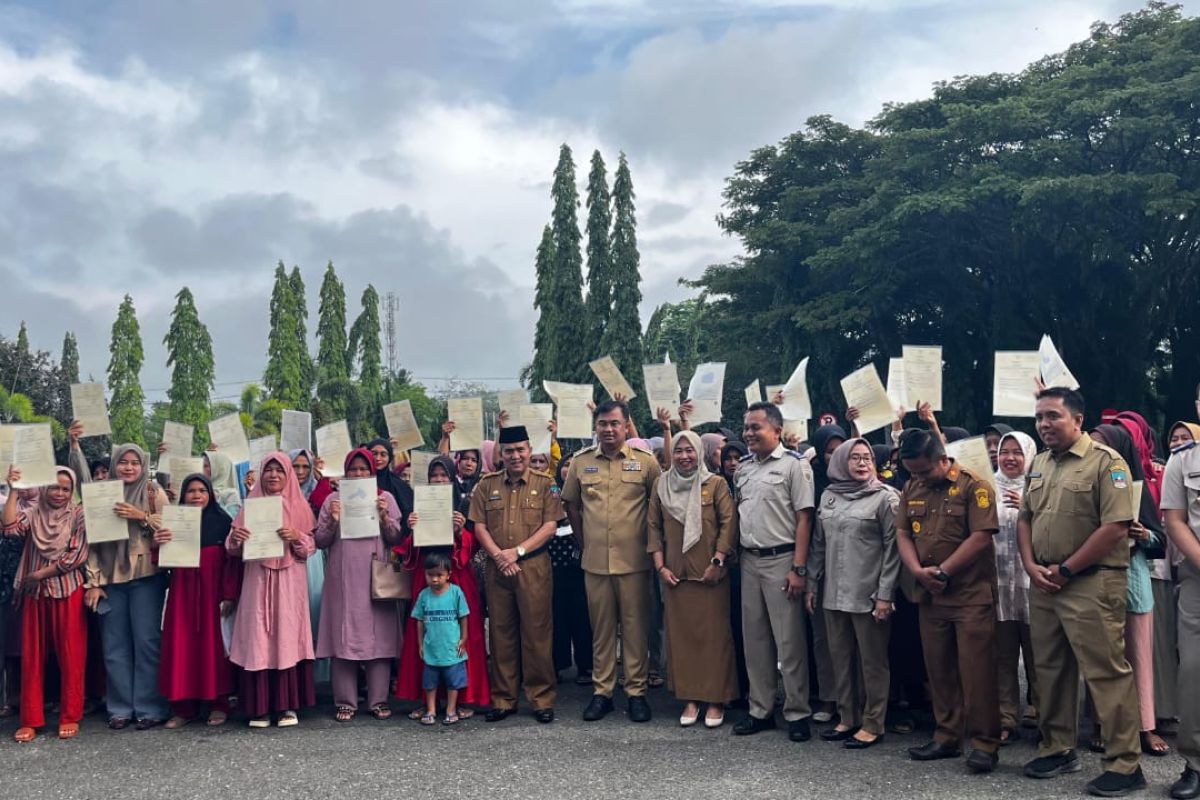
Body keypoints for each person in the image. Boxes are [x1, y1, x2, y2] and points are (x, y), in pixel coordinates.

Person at [1017, 387, 1145, 796]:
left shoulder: (1107, 463)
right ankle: (1058, 747)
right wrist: (1029, 565)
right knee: (1049, 669)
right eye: (1039, 417)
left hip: (1091, 581)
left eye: (1052, 416)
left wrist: (1069, 568)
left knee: (1105, 672)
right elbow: (1024, 518)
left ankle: (1125, 764)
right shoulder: (1038, 463)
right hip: (1044, 583)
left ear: (1077, 419)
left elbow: (1116, 526)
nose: (1044, 424)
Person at [895, 427, 1001, 773]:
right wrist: (916, 570)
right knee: (938, 670)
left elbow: (982, 536)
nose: (919, 478)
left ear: (943, 459)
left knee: (976, 672)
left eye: (924, 471)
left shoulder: (974, 486)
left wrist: (944, 572)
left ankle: (985, 743)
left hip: (969, 595)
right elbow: (902, 531)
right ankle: (946, 736)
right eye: (912, 472)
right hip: (930, 596)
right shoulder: (912, 486)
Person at [561, 400, 661, 723]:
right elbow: (571, 506)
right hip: (596, 563)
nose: (608, 429)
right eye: (602, 423)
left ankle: (636, 693)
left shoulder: (645, 463)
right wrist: (584, 541)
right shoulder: (581, 463)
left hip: (634, 562)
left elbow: (657, 508)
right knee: (601, 631)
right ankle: (602, 692)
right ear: (596, 427)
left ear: (626, 425)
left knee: (635, 629)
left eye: (614, 423)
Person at [72, 431, 171, 731]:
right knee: (114, 646)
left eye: (135, 463)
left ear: (143, 466)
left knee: (147, 643)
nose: (128, 468)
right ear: (114, 465)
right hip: (111, 580)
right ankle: (119, 708)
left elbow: (173, 529)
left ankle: (149, 707)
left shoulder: (154, 493)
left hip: (146, 579)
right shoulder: (103, 495)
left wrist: (140, 515)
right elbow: (93, 545)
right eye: (123, 462)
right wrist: (94, 583)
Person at [731, 401, 816, 742]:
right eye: (747, 427)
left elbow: (804, 518)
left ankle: (797, 712)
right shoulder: (744, 469)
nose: (749, 433)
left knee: (789, 641)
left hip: (783, 561)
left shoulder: (795, 467)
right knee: (755, 640)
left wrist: (799, 568)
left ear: (777, 431)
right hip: (750, 561)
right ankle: (760, 709)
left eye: (756, 427)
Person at [807, 439, 900, 749]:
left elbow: (893, 551)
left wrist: (885, 594)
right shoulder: (829, 496)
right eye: (855, 458)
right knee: (840, 657)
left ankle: (874, 722)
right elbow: (818, 545)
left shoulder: (885, 498)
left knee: (872, 661)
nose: (862, 464)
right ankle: (848, 717)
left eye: (867, 458)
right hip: (833, 592)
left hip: (868, 594)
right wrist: (811, 584)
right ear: (841, 463)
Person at [469, 425, 562, 724]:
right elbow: (479, 525)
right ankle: (504, 698)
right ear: (501, 453)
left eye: (521, 449)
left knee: (537, 633)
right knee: (501, 633)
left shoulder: (547, 484)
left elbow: (550, 526)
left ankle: (541, 698)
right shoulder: (487, 485)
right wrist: (499, 555)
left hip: (532, 566)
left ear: (530, 450)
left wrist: (517, 552)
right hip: (498, 568)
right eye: (509, 451)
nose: (516, 456)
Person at [648, 430, 738, 728]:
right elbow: (653, 528)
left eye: (690, 450)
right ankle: (690, 698)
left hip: (710, 575)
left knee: (713, 640)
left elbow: (729, 524)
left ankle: (715, 699)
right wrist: (660, 567)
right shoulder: (662, 485)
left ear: (699, 453)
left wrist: (719, 560)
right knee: (683, 640)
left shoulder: (716, 484)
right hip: (675, 576)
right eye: (679, 451)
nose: (685, 456)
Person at [1090, 423, 1170, 757]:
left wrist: (1141, 533)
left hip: (1134, 583)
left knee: (1138, 657)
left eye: (1103, 446)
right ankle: (1102, 725)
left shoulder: (1135, 487)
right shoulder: (1085, 483)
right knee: (1101, 658)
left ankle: (1145, 727)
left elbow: (1159, 540)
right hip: (1094, 581)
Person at [226, 453, 317, 728]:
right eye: (269, 470)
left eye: (279, 470)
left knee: (287, 635)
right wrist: (236, 539)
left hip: (290, 581)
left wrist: (296, 537)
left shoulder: (300, 506)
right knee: (259, 636)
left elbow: (310, 548)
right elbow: (231, 548)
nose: (274, 475)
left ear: (288, 475)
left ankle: (287, 706)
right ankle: (260, 707)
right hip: (258, 580)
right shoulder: (250, 505)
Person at [313, 448, 404, 722]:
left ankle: (378, 700)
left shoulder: (384, 497)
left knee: (379, 638)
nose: (359, 473)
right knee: (343, 637)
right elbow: (320, 540)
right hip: (343, 580)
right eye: (354, 469)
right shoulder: (333, 499)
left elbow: (396, 537)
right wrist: (332, 520)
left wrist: (386, 517)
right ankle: (346, 701)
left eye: (364, 469)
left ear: (372, 472)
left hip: (375, 577)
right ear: (345, 472)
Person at [394, 456, 490, 712]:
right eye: (433, 476)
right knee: (424, 633)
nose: (438, 480)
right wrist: (412, 528)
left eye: (443, 475)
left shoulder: (463, 504)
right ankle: (426, 700)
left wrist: (460, 532)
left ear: (451, 478)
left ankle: (463, 698)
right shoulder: (419, 506)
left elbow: (474, 544)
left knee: (460, 633)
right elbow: (406, 550)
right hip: (426, 577)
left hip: (456, 576)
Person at [2, 466, 88, 742]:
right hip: (35, 594)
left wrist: (39, 574)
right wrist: (14, 489)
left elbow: (76, 556)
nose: (60, 493)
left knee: (70, 655)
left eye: (65, 488)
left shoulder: (78, 514)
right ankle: (30, 719)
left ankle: (70, 715)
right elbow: (10, 528)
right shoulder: (34, 512)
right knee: (33, 657)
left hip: (67, 590)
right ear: (43, 488)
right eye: (54, 487)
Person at [156, 474, 239, 728]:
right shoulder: (173, 523)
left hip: (212, 596)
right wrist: (158, 544)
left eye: (202, 490)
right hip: (183, 595)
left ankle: (218, 704)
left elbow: (231, 563)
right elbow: (161, 562)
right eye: (191, 491)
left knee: (214, 649)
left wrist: (229, 594)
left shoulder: (223, 522)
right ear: (183, 495)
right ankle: (184, 708)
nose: (196, 495)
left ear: (210, 494)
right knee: (182, 649)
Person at [993, 431, 1040, 741]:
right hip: (998, 583)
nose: (1010, 458)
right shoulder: (987, 487)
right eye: (1004, 451)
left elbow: (1057, 526)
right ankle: (1005, 717)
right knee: (1003, 656)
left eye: (1017, 452)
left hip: (1033, 584)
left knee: (1039, 655)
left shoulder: (1041, 486)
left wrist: (1029, 505)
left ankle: (1044, 713)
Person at [1163, 429, 1200, 798]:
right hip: (1198, 579)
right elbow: (1175, 520)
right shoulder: (1183, 460)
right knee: (1194, 672)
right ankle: (1196, 763)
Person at [411, 552, 470, 725]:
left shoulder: (456, 592)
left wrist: (464, 638)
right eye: (430, 575)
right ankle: (431, 710)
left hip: (452, 648)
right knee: (430, 683)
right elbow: (419, 620)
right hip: (431, 649)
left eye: (439, 575)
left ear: (448, 575)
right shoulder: (424, 595)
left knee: (454, 682)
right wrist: (420, 643)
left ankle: (451, 710)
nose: (435, 579)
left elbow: (463, 617)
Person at [549, 455, 593, 686]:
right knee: (556, 617)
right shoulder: (550, 492)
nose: (568, 469)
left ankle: (586, 666)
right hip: (554, 566)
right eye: (565, 465)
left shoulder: (588, 491)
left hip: (581, 565)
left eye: (571, 465)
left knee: (582, 617)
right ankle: (558, 664)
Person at [290, 448, 329, 685]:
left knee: (313, 607)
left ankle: (317, 676)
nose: (301, 471)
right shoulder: (276, 492)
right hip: (286, 556)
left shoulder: (319, 490)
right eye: (296, 466)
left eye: (306, 466)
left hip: (313, 557)